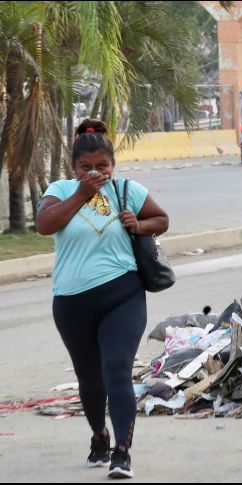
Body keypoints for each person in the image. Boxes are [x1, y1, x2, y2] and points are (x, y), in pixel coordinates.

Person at [36, 119, 170, 480]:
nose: (95, 172)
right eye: (86, 167)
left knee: (116, 370)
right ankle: (99, 435)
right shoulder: (61, 190)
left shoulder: (127, 189)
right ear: (74, 167)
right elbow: (44, 224)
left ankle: (121, 453)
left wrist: (138, 225)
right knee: (89, 378)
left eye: (102, 166)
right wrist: (82, 194)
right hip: (71, 301)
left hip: (122, 294)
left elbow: (161, 219)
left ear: (113, 165)